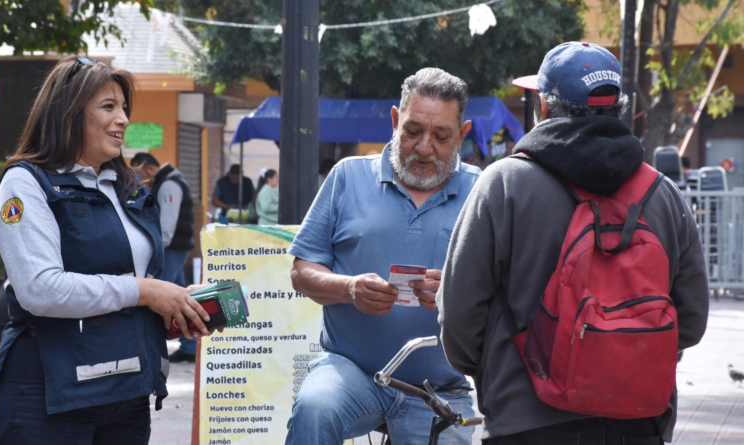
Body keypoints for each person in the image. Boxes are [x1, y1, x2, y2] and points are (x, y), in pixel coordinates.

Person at [438, 42, 709, 445]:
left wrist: (496, 371)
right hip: (638, 420)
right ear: (619, 109)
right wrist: (623, 356)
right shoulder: (662, 194)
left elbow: (459, 317)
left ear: (544, 108)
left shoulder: (504, 184)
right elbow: (691, 321)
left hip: (526, 420)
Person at [0, 55, 215, 444]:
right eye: (108, 107)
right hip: (46, 395)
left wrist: (173, 305)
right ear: (67, 114)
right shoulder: (25, 184)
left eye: (124, 108)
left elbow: (136, 286)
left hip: (127, 394)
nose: (123, 118)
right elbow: (41, 289)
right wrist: (146, 291)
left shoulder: (126, 186)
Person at [285, 67, 481, 445]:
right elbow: (301, 271)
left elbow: (509, 294)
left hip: (440, 388)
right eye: (412, 131)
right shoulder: (347, 177)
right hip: (351, 372)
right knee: (315, 408)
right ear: (394, 120)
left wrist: (459, 294)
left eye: (441, 136)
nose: (424, 147)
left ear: (463, 133)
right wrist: (348, 288)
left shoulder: (482, 192)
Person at [130, 152, 197, 363]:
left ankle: (156, 348)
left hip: (171, 249)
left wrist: (156, 249)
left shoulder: (169, 185)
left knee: (163, 298)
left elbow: (167, 226)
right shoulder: (169, 181)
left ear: (149, 169)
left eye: (139, 173)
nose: (139, 179)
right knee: (181, 295)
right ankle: (189, 345)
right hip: (174, 248)